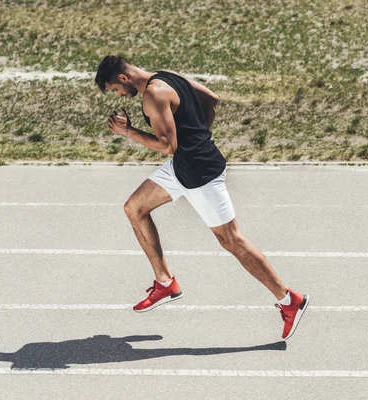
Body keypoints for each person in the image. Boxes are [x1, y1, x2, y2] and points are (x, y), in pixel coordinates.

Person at [94, 55, 309, 340]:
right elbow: (212, 98)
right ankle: (165, 282)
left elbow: (167, 146)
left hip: (198, 172)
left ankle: (288, 299)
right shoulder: (165, 74)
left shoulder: (153, 95)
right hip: (184, 165)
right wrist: (200, 135)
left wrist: (128, 131)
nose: (118, 95)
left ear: (122, 78)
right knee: (135, 208)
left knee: (232, 240)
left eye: (114, 89)